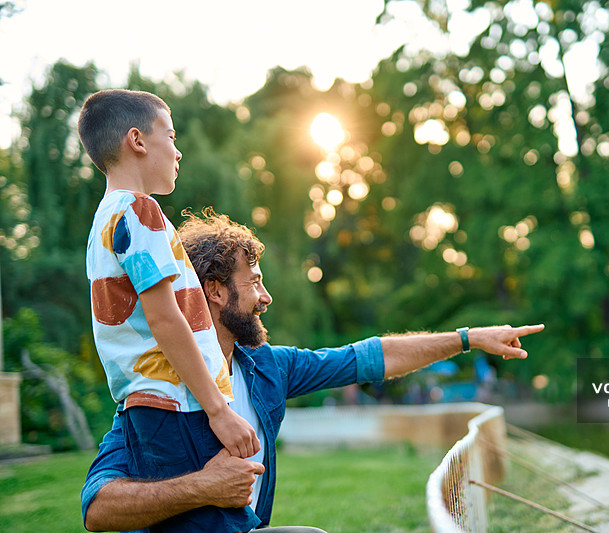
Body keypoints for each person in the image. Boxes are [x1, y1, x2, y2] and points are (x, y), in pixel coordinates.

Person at [81, 209, 545, 532]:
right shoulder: (157, 388)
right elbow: (97, 508)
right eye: (255, 283)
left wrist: (466, 338)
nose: (266, 299)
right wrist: (203, 488)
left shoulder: (267, 368)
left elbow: (368, 358)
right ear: (215, 292)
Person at [79, 91, 261, 533]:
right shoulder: (141, 212)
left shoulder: (105, 220)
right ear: (137, 141)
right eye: (171, 135)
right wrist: (218, 410)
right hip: (180, 406)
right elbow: (164, 318)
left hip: (149, 406)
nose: (178, 150)